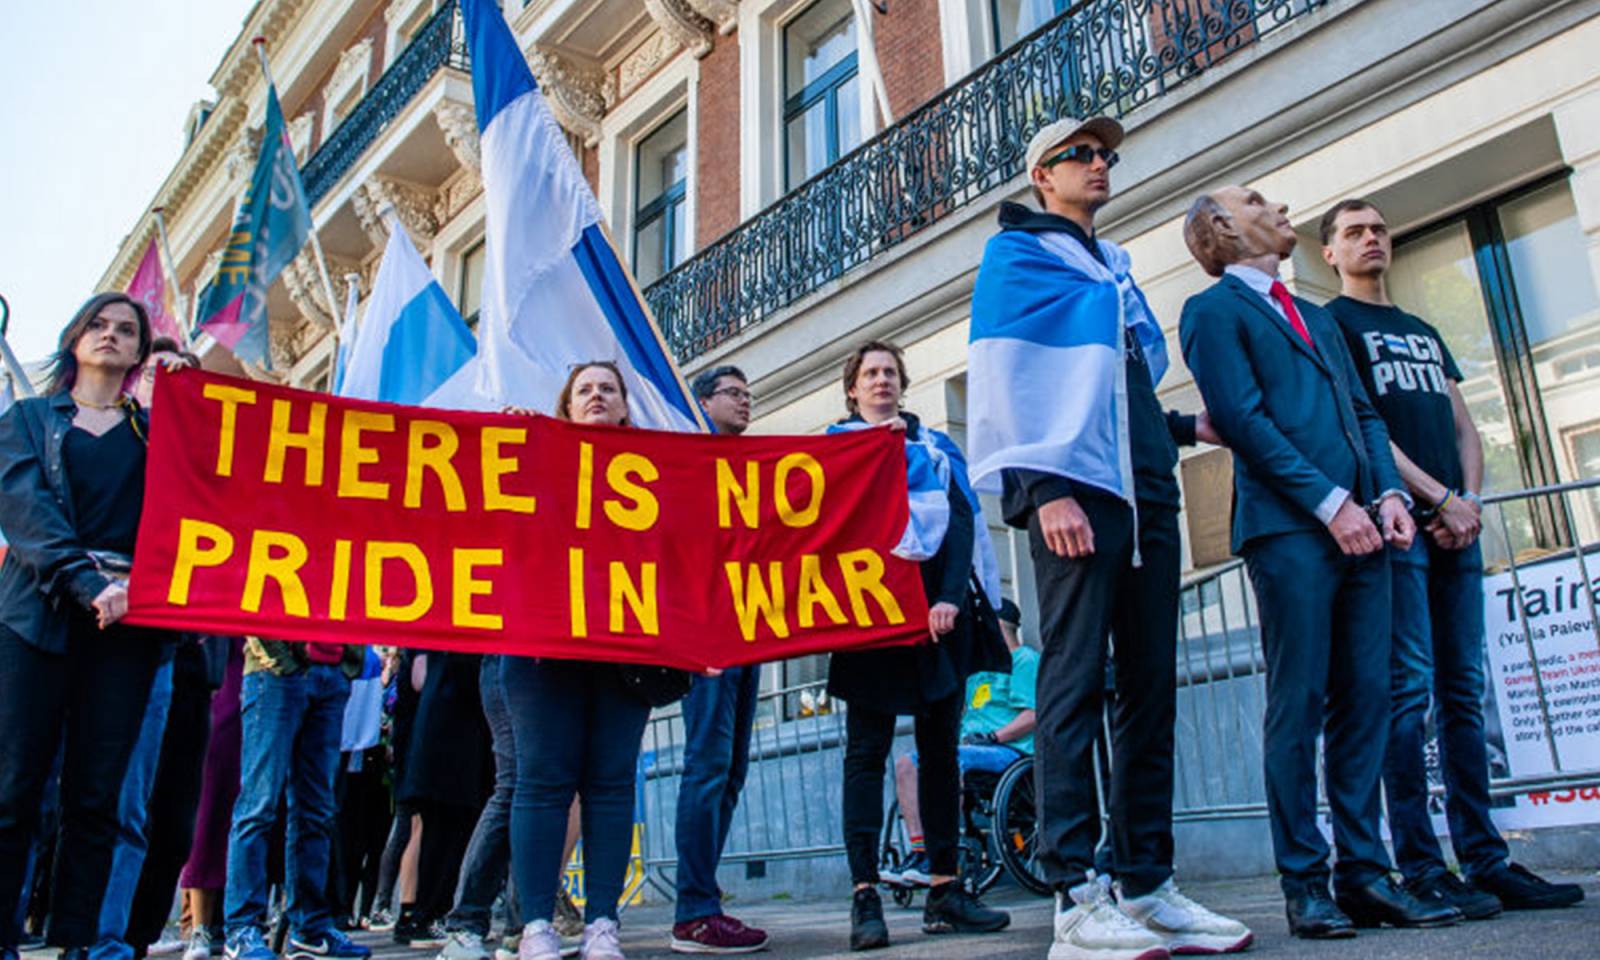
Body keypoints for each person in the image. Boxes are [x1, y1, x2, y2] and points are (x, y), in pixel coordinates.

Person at [967, 119, 1250, 960]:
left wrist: (1181, 426)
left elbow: (1104, 389)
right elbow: (1009, 380)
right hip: (1076, 494)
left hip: (1143, 486)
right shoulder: (1018, 254)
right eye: (1079, 155)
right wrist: (1044, 489)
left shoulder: (1111, 264)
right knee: (1072, 678)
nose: (1098, 164)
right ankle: (1073, 893)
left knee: (1151, 686)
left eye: (1104, 155)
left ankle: (1146, 881)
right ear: (1041, 175)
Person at [1178, 186, 1457, 938]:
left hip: (1372, 525)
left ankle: (1364, 873)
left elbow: (1364, 412)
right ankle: (1304, 882)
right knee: (1298, 702)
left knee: (1367, 696)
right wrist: (1331, 503)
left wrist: (1392, 494)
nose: (1278, 205)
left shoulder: (1317, 313)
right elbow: (1242, 421)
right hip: (1291, 531)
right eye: (1258, 200)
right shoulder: (1213, 311)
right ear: (1223, 229)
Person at [1320, 198, 1585, 914]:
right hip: (1403, 529)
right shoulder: (1334, 326)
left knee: (1464, 692)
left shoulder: (1422, 330)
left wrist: (1466, 500)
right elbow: (1366, 431)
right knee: (1408, 694)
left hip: (1454, 530)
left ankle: (1487, 856)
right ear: (1331, 254)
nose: (1372, 239)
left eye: (1379, 227)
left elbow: (1464, 424)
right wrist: (1437, 500)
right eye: (1354, 233)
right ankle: (1421, 865)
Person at [0, 293, 173, 960]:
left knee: (97, 800)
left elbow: (190, 514)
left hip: (127, 630)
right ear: (74, 339)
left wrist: (137, 586)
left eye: (126, 330)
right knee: (15, 790)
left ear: (138, 352)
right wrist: (88, 582)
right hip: (35, 622)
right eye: (99, 325)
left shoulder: (156, 434)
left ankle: (77, 944)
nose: (111, 336)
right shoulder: (27, 420)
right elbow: (29, 516)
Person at [826, 341, 1012, 952]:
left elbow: (961, 525)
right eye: (869, 373)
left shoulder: (934, 451)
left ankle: (945, 890)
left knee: (940, 753)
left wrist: (952, 597)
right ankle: (864, 897)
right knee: (866, 754)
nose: (881, 380)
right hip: (868, 620)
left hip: (937, 617)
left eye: (889, 373)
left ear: (901, 386)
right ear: (852, 389)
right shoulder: (829, 451)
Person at [503, 361, 671, 960]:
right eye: (585, 390)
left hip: (624, 650)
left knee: (609, 785)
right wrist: (517, 446)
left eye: (608, 388)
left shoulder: (658, 470)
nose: (597, 396)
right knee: (543, 782)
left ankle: (603, 923)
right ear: (566, 407)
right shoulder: (534, 460)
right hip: (543, 648)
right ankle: (536, 926)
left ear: (625, 406)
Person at [668, 366, 768, 954]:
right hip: (703, 634)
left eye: (748, 394)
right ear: (704, 402)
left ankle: (702, 893)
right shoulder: (684, 458)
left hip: (747, 630)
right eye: (735, 393)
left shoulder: (751, 470)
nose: (745, 403)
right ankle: (694, 910)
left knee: (729, 770)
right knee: (706, 766)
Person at [221, 636, 372, 960]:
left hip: (329, 671)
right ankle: (242, 927)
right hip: (276, 672)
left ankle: (309, 928)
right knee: (258, 807)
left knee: (316, 810)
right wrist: (283, 659)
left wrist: (347, 662)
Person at [882, 598, 1035, 887]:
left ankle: (944, 851)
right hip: (973, 748)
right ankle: (920, 851)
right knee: (907, 764)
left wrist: (993, 737)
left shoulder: (1023, 660)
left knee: (951, 761)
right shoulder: (978, 673)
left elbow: (1034, 714)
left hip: (1010, 752)